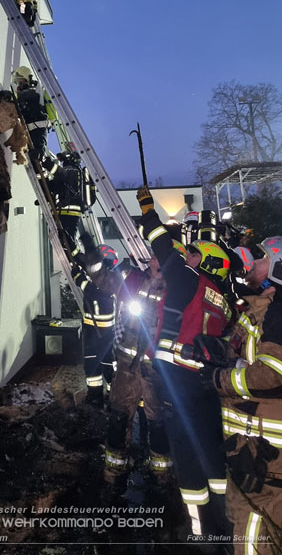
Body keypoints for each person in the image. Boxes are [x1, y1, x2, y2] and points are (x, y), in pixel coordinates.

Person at [137, 186, 232, 539]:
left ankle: (200, 531)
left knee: (188, 457)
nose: (185, 256)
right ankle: (225, 523)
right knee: (212, 450)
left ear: (201, 263)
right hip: (208, 385)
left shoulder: (188, 279)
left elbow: (161, 243)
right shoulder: (223, 299)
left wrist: (147, 209)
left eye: (192, 254)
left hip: (178, 382)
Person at [201, 237, 282, 554]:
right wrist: (219, 350)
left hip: (266, 456)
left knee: (253, 534)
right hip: (252, 447)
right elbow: (250, 356)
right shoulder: (263, 309)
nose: (251, 264)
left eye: (260, 258)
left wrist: (218, 378)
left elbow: (271, 373)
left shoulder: (278, 314)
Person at [104, 251, 173, 491]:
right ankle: (114, 473)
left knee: (157, 420)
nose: (152, 258)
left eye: (156, 255)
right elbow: (111, 287)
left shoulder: (174, 287)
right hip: (127, 363)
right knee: (119, 415)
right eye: (152, 256)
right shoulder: (136, 278)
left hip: (154, 367)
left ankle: (161, 477)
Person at [72, 244, 122, 407]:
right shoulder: (112, 277)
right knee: (105, 364)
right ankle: (109, 395)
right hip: (106, 333)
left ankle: (97, 398)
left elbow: (89, 289)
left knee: (93, 365)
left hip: (95, 333)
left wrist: (77, 276)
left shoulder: (101, 283)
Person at [44, 151, 96, 260]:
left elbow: (60, 173)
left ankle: (78, 259)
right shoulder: (72, 172)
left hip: (69, 212)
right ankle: (75, 258)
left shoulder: (73, 170)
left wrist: (46, 163)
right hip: (63, 211)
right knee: (62, 239)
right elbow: (53, 186)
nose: (62, 162)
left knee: (66, 239)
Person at [12, 66, 49, 160]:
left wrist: (7, 95)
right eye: (16, 82)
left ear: (27, 80)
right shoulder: (24, 98)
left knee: (36, 156)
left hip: (38, 134)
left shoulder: (35, 92)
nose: (18, 85)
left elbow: (21, 96)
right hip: (28, 135)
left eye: (20, 81)